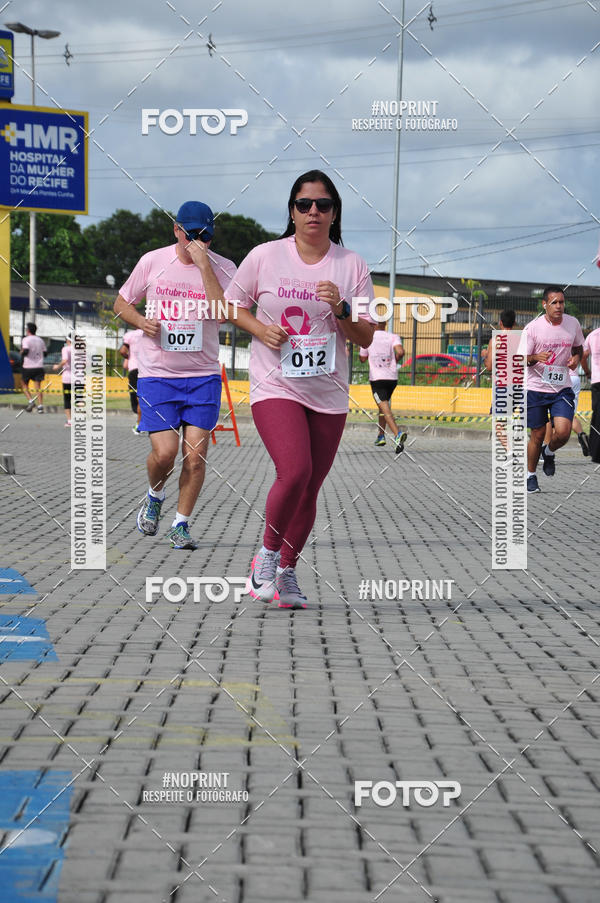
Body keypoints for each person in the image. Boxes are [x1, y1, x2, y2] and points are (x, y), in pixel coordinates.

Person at [225, 170, 375, 609]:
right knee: (295, 471)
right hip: (276, 384)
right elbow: (232, 306)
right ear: (291, 211)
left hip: (328, 392)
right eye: (303, 204)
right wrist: (260, 328)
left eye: (322, 205)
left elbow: (365, 337)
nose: (313, 211)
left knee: (310, 487)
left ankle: (287, 573)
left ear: (334, 213)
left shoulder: (352, 265)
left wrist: (342, 308)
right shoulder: (265, 255)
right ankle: (266, 559)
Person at [113, 201, 236, 550]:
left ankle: (180, 525)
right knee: (165, 455)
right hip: (158, 375)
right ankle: (155, 495)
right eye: (191, 235)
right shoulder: (153, 261)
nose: (198, 242)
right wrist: (140, 322)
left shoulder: (224, 267)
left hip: (202, 377)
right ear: (176, 230)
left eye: (205, 236)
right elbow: (121, 303)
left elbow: (225, 314)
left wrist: (204, 266)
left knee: (195, 457)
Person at [520, 287, 584, 493]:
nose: (559, 306)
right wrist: (534, 358)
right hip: (536, 388)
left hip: (561, 388)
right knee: (537, 434)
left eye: (561, 302)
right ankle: (531, 475)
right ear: (544, 305)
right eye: (554, 302)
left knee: (564, 432)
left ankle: (549, 451)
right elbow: (520, 358)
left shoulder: (572, 323)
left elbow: (578, 347)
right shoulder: (532, 328)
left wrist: (576, 358)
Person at [359, 319, 407, 451]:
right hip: (392, 378)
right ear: (385, 324)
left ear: (372, 325)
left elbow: (362, 358)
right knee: (382, 406)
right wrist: (394, 361)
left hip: (377, 379)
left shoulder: (367, 338)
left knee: (385, 408)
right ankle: (381, 436)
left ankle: (397, 434)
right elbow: (401, 352)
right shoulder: (392, 337)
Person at [483, 308, 516, 451]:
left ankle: (510, 451)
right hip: (520, 384)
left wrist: (485, 355)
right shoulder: (521, 338)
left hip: (502, 385)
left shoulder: (495, 340)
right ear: (514, 323)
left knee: (499, 424)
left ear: (500, 322)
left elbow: (489, 366)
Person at [119, 328, 144, 433]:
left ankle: (139, 425)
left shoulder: (130, 335)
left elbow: (122, 351)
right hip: (148, 369)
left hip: (134, 370)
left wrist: (129, 357)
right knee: (145, 398)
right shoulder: (150, 332)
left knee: (138, 399)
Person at [582, 325, 600, 463]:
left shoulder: (593, 335)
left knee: (596, 416)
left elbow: (583, 356)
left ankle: (595, 451)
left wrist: (587, 371)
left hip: (597, 381)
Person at [20, 322, 46, 413]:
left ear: (28, 330)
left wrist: (21, 352)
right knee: (38, 387)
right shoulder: (41, 340)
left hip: (28, 366)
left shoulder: (26, 339)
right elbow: (45, 353)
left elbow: (26, 351)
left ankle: (31, 401)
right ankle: (40, 406)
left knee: (23, 384)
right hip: (39, 366)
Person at [52, 335, 72, 426]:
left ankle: (70, 421)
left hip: (68, 378)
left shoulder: (66, 349)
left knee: (67, 399)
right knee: (79, 399)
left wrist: (57, 366)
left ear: (68, 340)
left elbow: (64, 360)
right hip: (79, 378)